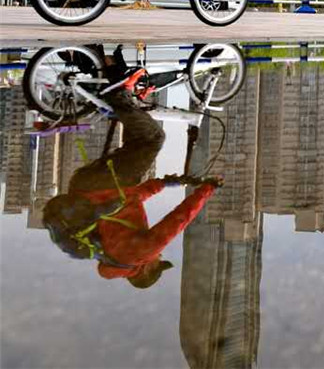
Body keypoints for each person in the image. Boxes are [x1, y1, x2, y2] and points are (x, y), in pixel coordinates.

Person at [42, 70, 221, 288]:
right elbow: (130, 199)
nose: (158, 256)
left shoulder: (139, 256)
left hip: (104, 186)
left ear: (146, 270)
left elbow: (179, 220)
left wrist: (206, 190)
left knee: (153, 139)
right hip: (85, 187)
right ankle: (114, 82)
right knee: (136, 147)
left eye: (158, 262)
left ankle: (119, 94)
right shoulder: (107, 256)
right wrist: (165, 183)